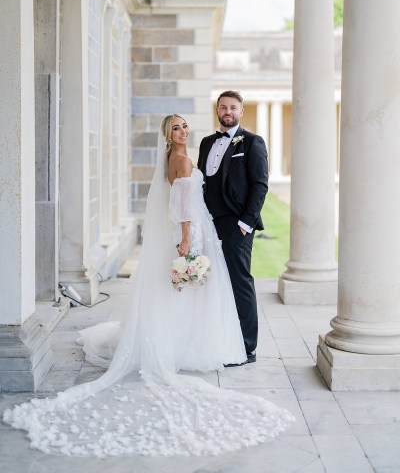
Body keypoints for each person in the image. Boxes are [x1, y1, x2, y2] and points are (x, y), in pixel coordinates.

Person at [4, 115, 293, 458]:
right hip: (191, 230)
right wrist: (187, 239)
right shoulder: (184, 159)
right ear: (168, 136)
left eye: (185, 126)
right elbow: (184, 204)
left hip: (190, 227)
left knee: (181, 291)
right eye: (176, 128)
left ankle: (173, 337)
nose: (184, 131)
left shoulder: (174, 158)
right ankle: (184, 342)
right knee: (193, 289)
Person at [198, 91, 268, 364]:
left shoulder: (252, 142)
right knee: (212, 281)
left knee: (239, 282)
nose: (228, 111)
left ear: (241, 111)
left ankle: (247, 347)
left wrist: (245, 223)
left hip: (236, 224)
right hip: (208, 222)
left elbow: (260, 184)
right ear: (217, 111)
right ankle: (218, 338)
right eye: (223, 107)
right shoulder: (206, 143)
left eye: (233, 107)